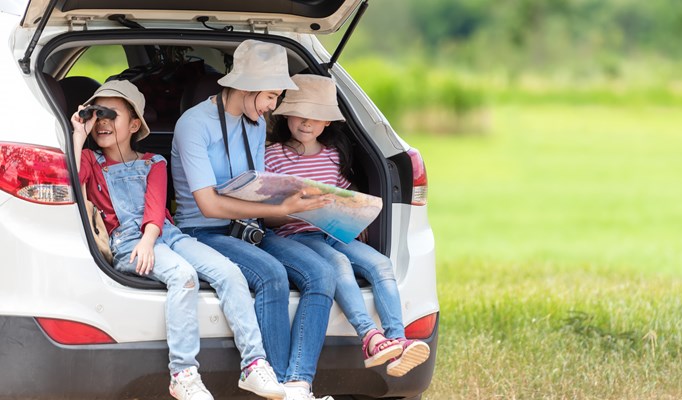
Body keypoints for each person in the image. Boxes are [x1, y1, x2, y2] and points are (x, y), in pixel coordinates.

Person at [71, 80, 285, 400]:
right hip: (127, 242)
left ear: (134, 124)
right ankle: (183, 373)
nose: (101, 122)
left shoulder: (154, 162)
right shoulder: (90, 161)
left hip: (163, 233)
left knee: (229, 272)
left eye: (110, 115)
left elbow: (157, 206)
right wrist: (77, 134)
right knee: (182, 276)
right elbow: (71, 183)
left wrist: (150, 237)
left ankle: (254, 364)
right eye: (96, 115)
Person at [171, 40, 336, 400]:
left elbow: (256, 187)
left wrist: (297, 199)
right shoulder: (193, 125)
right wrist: (277, 210)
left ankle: (297, 384)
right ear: (245, 87)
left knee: (322, 274)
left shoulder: (256, 123)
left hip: (249, 227)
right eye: (270, 96)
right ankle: (274, 381)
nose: (272, 107)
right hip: (203, 231)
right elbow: (209, 205)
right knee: (272, 274)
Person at [265, 74, 431, 377]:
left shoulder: (331, 156)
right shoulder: (274, 155)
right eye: (300, 114)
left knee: (381, 265)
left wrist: (357, 213)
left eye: (316, 117)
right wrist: (298, 210)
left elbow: (344, 194)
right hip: (300, 236)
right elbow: (266, 211)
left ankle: (397, 339)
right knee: (339, 264)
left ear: (327, 122)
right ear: (286, 114)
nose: (307, 123)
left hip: (334, 233)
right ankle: (370, 337)